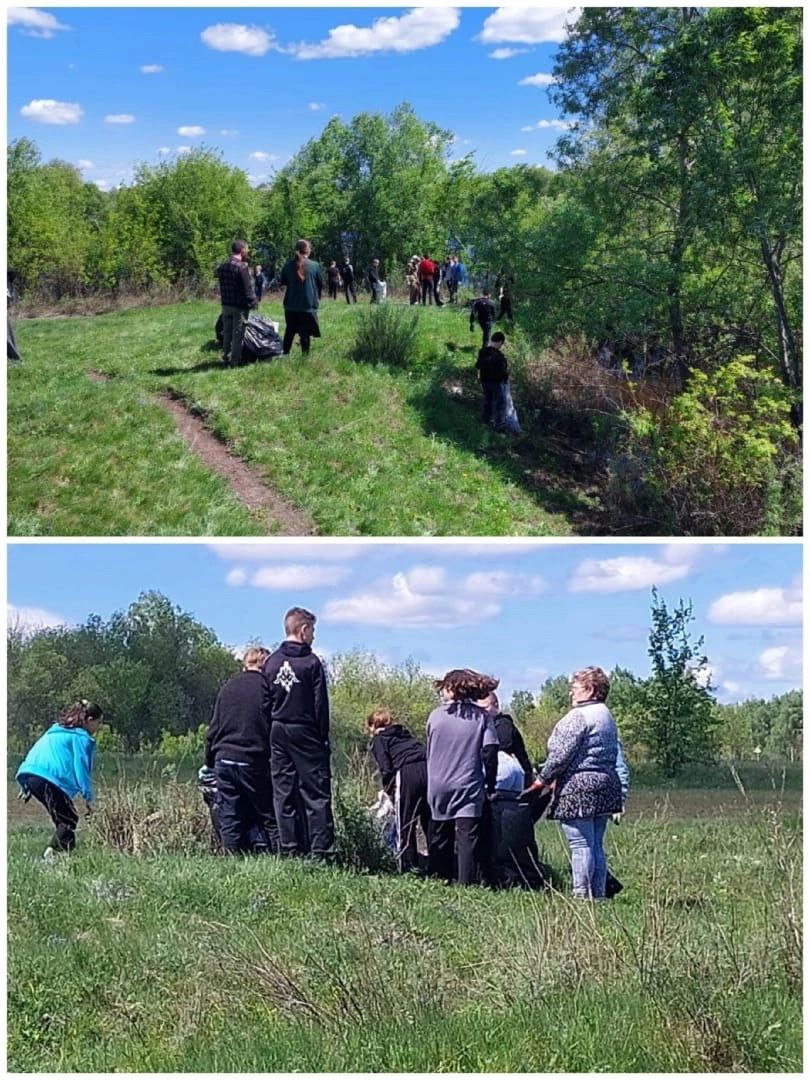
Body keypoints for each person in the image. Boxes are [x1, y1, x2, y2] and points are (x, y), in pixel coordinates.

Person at [539, 666, 623, 900]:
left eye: (574, 688)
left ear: (590, 689)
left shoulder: (579, 716)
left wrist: (542, 779)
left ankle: (581, 896)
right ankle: (598, 896)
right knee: (596, 845)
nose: (571, 693)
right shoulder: (606, 715)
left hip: (579, 786)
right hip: (606, 783)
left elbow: (560, 754)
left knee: (581, 845)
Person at [263, 607, 335, 862]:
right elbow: (320, 705)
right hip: (306, 731)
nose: (313, 636)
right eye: (312, 631)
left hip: (277, 729)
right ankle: (321, 852)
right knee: (316, 792)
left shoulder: (270, 662)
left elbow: (265, 702)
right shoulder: (311, 662)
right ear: (303, 630)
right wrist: (323, 738)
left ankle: (290, 850)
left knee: (283, 793)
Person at [426, 669, 499, 885]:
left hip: (437, 783)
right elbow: (490, 751)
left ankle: (439, 879)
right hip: (468, 784)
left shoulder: (435, 715)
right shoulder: (482, 717)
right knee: (467, 838)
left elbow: (429, 747)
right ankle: (466, 885)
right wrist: (490, 784)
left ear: (451, 688)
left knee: (440, 835)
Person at [204, 646, 278, 855]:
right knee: (268, 813)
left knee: (229, 816)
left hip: (224, 759)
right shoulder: (267, 688)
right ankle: (280, 858)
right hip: (253, 758)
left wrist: (209, 763)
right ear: (265, 664)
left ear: (245, 664)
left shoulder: (228, 687)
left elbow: (214, 728)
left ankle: (232, 861)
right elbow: (272, 726)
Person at [16, 701, 103, 858]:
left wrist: (24, 784)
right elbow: (81, 768)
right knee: (69, 819)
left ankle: (67, 857)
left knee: (64, 819)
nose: (99, 727)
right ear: (89, 720)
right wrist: (89, 797)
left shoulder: (55, 731)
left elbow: (35, 752)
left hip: (30, 775)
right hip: (49, 779)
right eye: (99, 722)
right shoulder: (82, 738)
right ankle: (50, 856)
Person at [367, 709, 430, 873]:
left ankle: (409, 867)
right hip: (429, 769)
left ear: (372, 726)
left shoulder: (379, 739)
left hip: (408, 772)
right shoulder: (405, 735)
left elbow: (386, 769)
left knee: (406, 821)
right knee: (429, 819)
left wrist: (389, 790)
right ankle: (437, 866)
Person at [277, 239, 325, 357]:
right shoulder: (314, 265)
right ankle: (304, 358)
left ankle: (285, 355)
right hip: (307, 305)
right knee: (305, 332)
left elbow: (283, 282)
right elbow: (321, 283)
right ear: (308, 250)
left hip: (290, 304)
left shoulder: (288, 266)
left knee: (290, 330)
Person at [216, 240, 257, 367]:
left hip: (226, 304)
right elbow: (247, 289)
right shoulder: (242, 267)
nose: (248, 251)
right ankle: (234, 362)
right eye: (247, 249)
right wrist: (253, 302)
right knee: (238, 334)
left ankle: (226, 357)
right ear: (242, 250)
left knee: (227, 332)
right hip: (239, 306)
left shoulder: (222, 266)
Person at [475, 331, 520, 434]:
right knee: (500, 404)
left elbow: (477, 365)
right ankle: (499, 426)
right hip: (496, 383)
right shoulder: (500, 357)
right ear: (500, 342)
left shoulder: (482, 351)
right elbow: (503, 373)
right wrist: (506, 378)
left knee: (488, 401)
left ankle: (486, 421)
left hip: (484, 381)